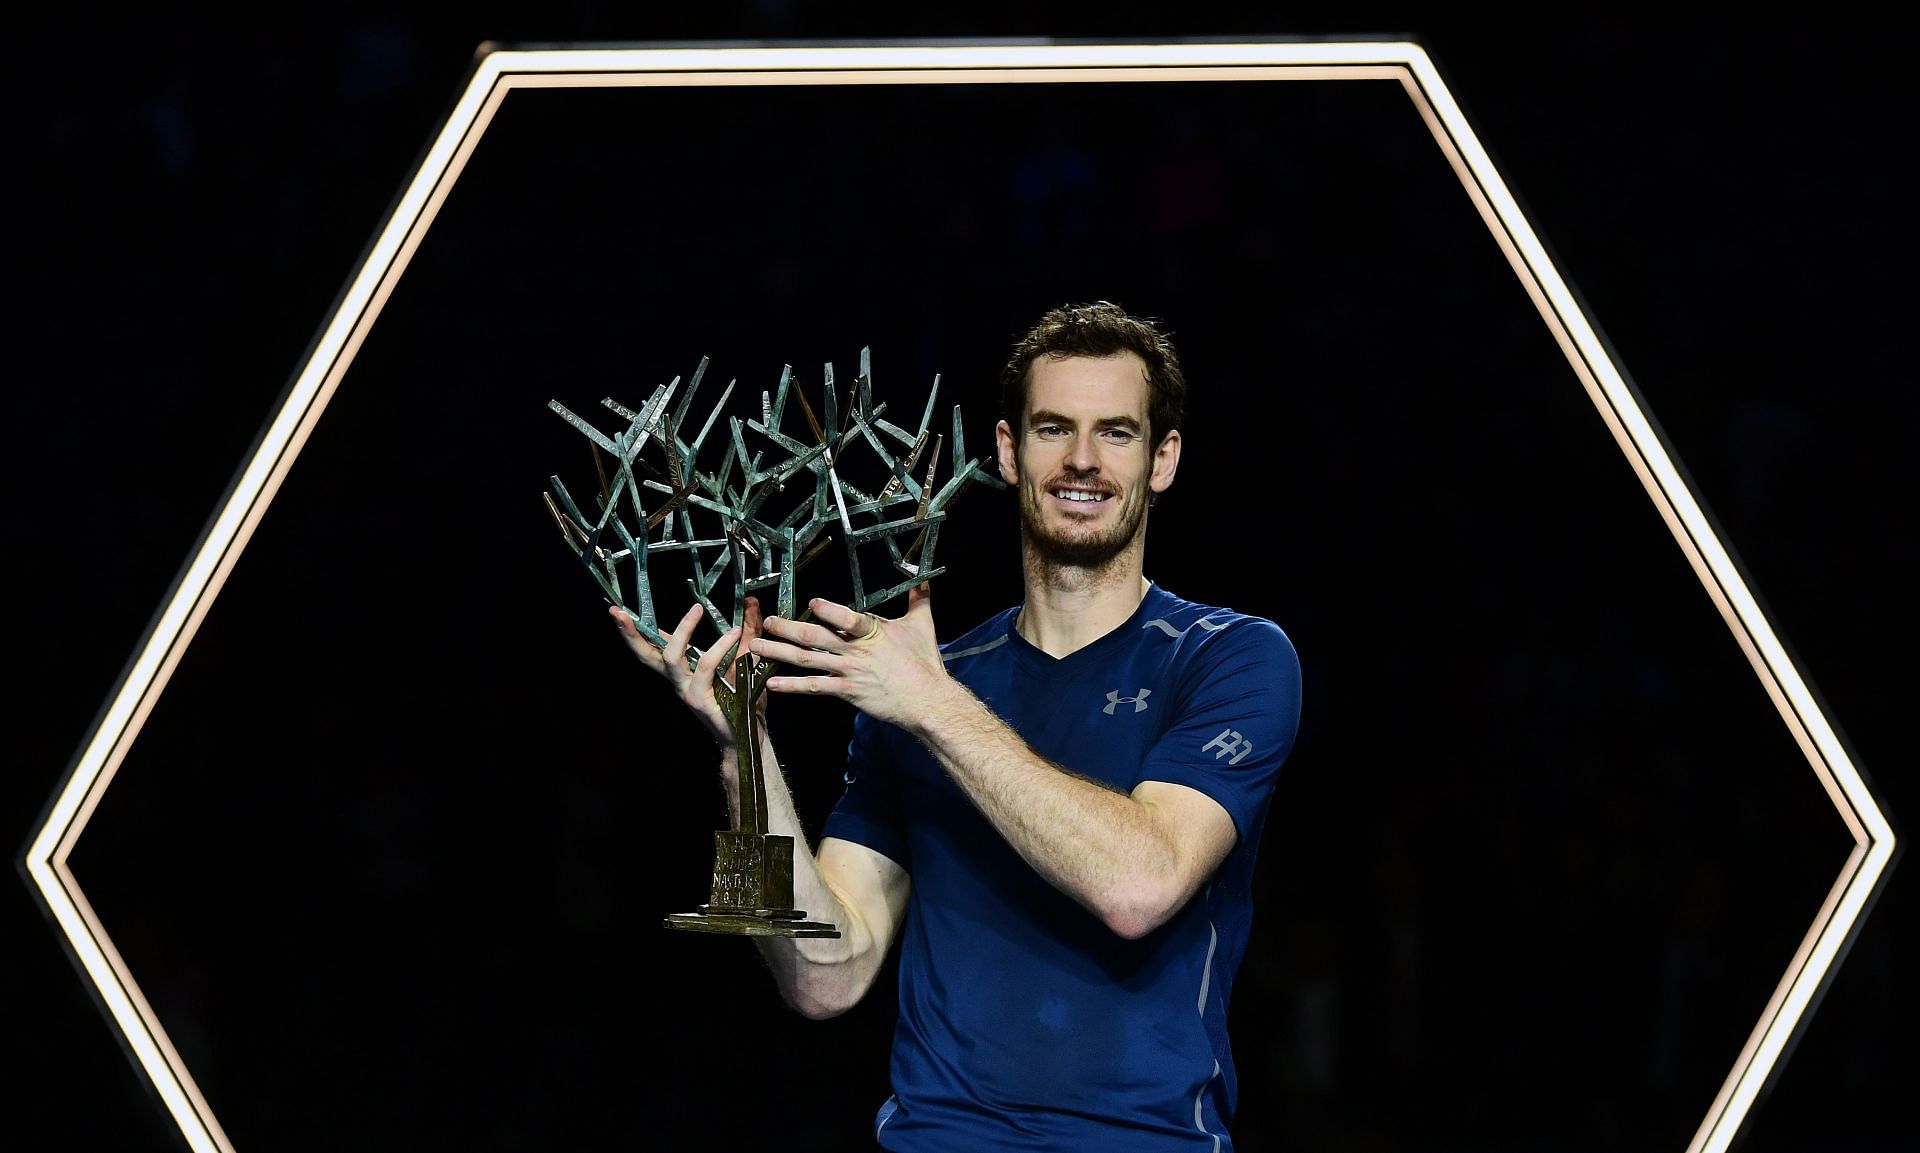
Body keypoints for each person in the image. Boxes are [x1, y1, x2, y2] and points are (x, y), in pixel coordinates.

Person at [612, 301, 1302, 1151]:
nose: (1082, 460)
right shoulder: (924, 685)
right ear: (1009, 453)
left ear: (1163, 460)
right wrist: (741, 753)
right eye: (1053, 429)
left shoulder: (1230, 657)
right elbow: (824, 975)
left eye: (1116, 433)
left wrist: (932, 706)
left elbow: (1141, 885)